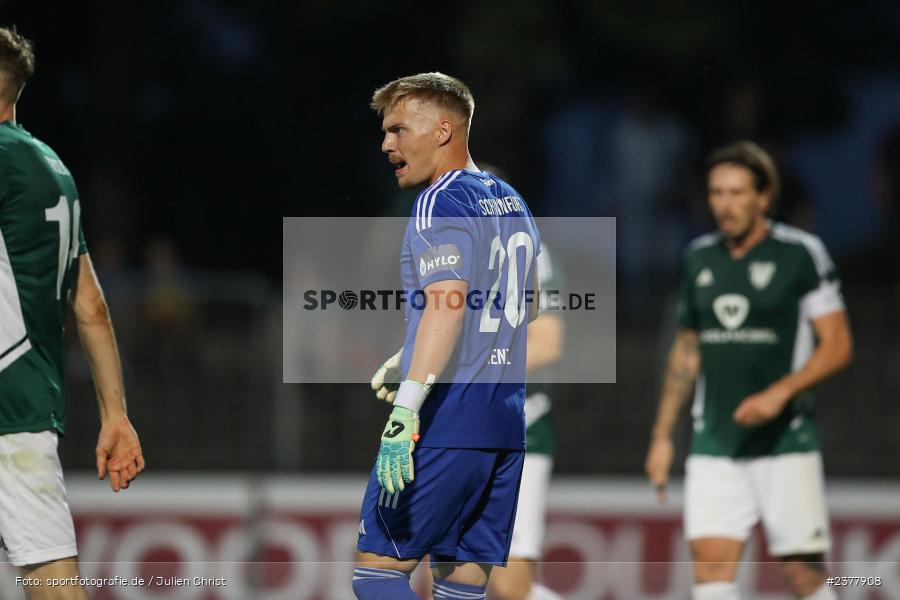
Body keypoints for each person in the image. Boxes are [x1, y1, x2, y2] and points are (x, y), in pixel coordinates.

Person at [355, 72, 541, 600]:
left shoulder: (440, 200)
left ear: (442, 131)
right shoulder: (512, 201)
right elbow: (525, 305)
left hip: (448, 419)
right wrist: (414, 349)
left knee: (377, 574)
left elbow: (447, 304)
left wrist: (406, 410)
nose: (386, 144)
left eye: (397, 129)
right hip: (504, 426)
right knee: (460, 587)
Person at [645, 141, 852, 600]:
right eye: (717, 193)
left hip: (784, 440)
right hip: (714, 442)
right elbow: (686, 352)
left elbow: (838, 346)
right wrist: (662, 436)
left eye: (737, 192)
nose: (726, 204)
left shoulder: (800, 254)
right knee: (711, 572)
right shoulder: (699, 257)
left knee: (805, 577)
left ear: (764, 197)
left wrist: (780, 392)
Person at [0, 27, 145, 599]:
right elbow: (90, 306)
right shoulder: (50, 166)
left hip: (8, 408)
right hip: (24, 405)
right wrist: (116, 414)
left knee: (54, 587)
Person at [489, 241, 564, 600]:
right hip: (458, 431)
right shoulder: (446, 250)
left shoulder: (531, 253)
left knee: (510, 585)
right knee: (445, 568)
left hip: (519, 427)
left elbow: (547, 344)